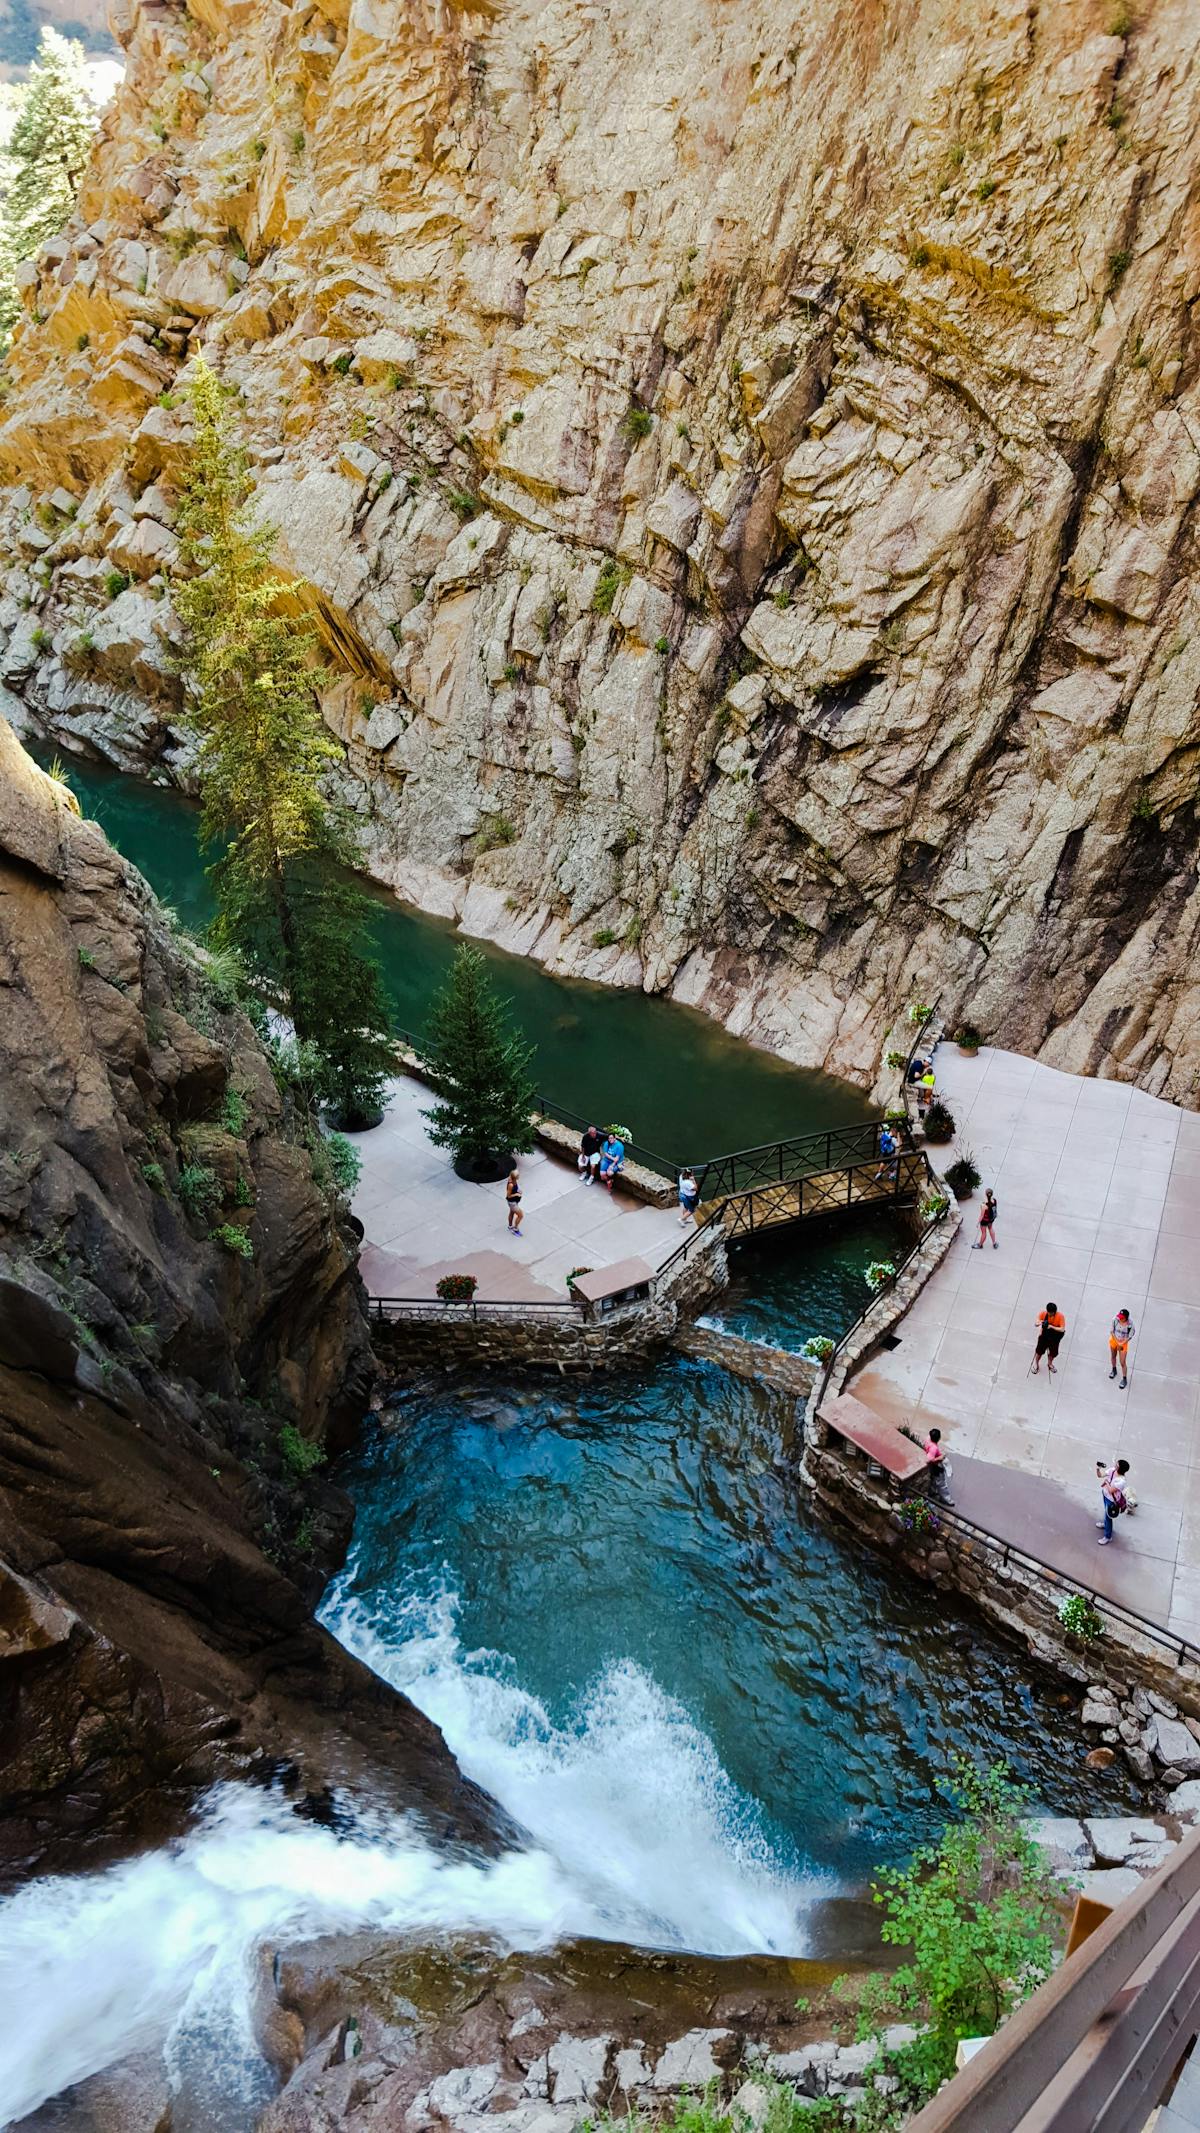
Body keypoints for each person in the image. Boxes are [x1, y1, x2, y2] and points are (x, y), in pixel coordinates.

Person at [1096, 1456, 1131, 1545]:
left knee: (1109, 1517)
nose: (1115, 1465)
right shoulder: (1113, 1470)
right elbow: (1100, 1476)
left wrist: (1106, 1482)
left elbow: (1111, 1490)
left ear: (1120, 1469)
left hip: (1111, 1500)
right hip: (1105, 1495)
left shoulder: (1121, 1481)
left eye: (1117, 1465)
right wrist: (1098, 1469)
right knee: (1106, 1513)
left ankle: (1108, 1537)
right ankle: (1105, 1525)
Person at [1032, 1301, 1066, 1375]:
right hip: (1044, 1336)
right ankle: (1036, 1364)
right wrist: (1041, 1322)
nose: (1050, 1314)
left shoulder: (1060, 1316)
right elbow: (1036, 1323)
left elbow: (1062, 1329)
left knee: (1053, 1353)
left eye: (1052, 1313)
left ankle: (1050, 1364)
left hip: (1054, 1338)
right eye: (1049, 1313)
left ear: (1055, 1311)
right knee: (1039, 1351)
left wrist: (1051, 1326)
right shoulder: (1043, 1314)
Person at [924, 1427, 954, 1505]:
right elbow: (929, 1459)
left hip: (934, 1467)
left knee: (934, 1481)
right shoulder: (933, 1448)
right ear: (939, 1438)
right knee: (941, 1483)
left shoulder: (928, 1439)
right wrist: (940, 1458)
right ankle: (947, 1499)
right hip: (936, 1467)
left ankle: (932, 1492)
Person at [1108, 1309, 1135, 1388]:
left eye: (1122, 1317)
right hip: (1114, 1340)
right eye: (1119, 1316)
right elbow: (1112, 1332)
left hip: (1123, 1343)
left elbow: (1130, 1336)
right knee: (1113, 1356)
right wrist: (1117, 1342)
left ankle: (1124, 1379)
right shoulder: (1115, 1320)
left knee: (1122, 1362)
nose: (1120, 1318)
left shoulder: (1130, 1324)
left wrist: (1122, 1343)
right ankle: (1114, 1370)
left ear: (1126, 1318)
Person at [505, 1167, 523, 1233]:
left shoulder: (512, 1179)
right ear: (515, 1177)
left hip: (514, 1201)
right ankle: (515, 1229)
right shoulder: (511, 1185)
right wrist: (516, 1194)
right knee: (520, 1215)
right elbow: (508, 1196)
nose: (519, 1176)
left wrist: (518, 1191)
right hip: (512, 1203)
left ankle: (510, 1226)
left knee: (512, 1213)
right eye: (518, 1175)